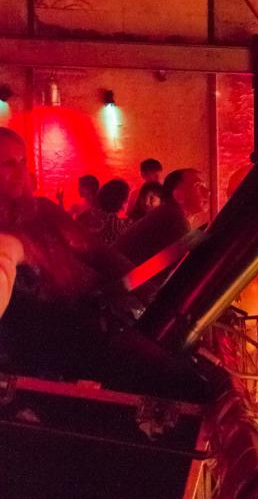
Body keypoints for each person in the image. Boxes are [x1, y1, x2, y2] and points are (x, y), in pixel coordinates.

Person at [0, 127, 131, 377]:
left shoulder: (42, 210)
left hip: (86, 331)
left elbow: (97, 252)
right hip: (36, 361)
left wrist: (141, 283)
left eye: (23, 162)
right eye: (8, 164)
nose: (20, 172)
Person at [116, 168, 209, 266]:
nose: (208, 192)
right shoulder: (173, 220)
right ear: (178, 195)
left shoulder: (166, 214)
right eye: (198, 186)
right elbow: (186, 268)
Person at [78, 179, 132, 246]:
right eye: (126, 199)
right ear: (122, 201)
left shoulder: (84, 215)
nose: (127, 202)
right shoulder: (115, 223)